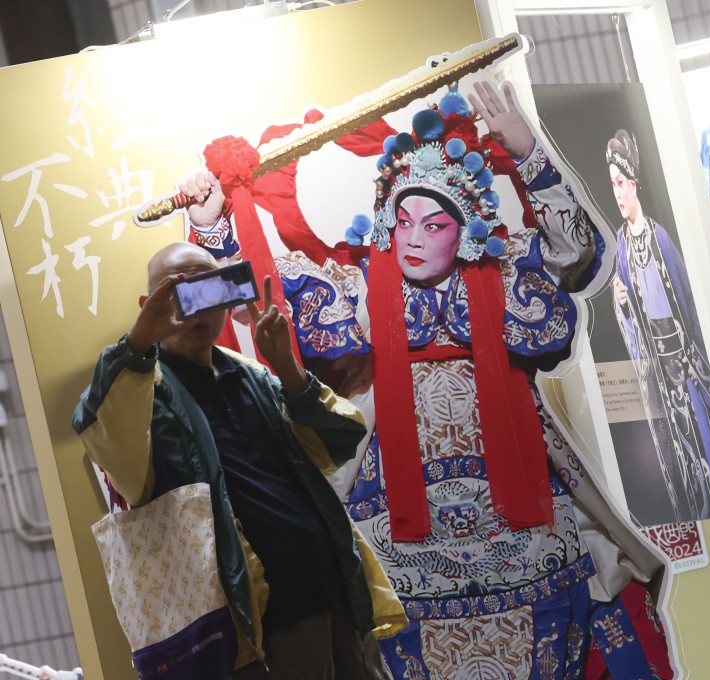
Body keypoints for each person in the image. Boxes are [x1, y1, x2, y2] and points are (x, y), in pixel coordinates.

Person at [183, 80, 676, 678]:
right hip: (393, 507)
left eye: (435, 224)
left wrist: (528, 154)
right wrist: (211, 228)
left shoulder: (504, 276)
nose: (413, 239)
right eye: (403, 221)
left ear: (466, 229)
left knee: (561, 614)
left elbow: (579, 256)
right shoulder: (358, 287)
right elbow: (241, 295)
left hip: (518, 500)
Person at [71, 242, 407, 680]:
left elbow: (339, 442)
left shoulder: (252, 375)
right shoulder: (141, 395)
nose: (198, 308)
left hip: (336, 590)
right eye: (180, 293)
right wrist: (137, 343)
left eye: (209, 288)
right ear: (150, 305)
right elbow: (103, 434)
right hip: (263, 622)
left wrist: (286, 364)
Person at [606, 129, 710, 522]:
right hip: (659, 375)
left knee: (706, 448)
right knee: (682, 459)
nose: (617, 193)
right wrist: (622, 302)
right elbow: (628, 308)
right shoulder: (621, 244)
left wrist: (695, 359)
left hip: (685, 366)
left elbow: (688, 304)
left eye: (621, 183)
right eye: (612, 185)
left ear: (634, 183)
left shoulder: (659, 237)